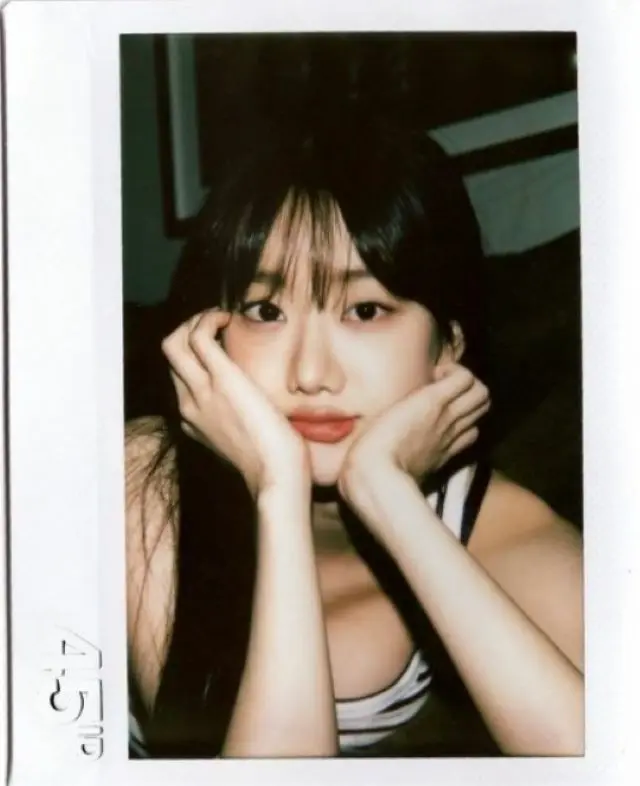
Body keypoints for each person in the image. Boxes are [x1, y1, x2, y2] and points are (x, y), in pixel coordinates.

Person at [124, 114, 583, 758]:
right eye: (265, 311)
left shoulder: (500, 526)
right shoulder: (144, 477)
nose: (311, 373)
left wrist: (389, 496)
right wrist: (278, 493)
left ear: (447, 347)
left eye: (365, 310)